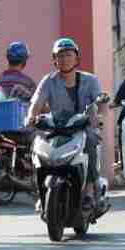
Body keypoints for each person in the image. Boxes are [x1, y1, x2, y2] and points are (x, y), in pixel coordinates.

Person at [26, 38, 106, 198]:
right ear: (54, 60)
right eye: (60, 56)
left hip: (82, 127)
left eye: (69, 55)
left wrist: (98, 118)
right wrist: (31, 117)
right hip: (56, 128)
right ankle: (39, 190)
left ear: (76, 58)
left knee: (90, 140)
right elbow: (37, 103)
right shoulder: (48, 81)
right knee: (36, 144)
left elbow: (101, 102)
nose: (64, 59)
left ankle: (89, 188)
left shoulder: (90, 80)